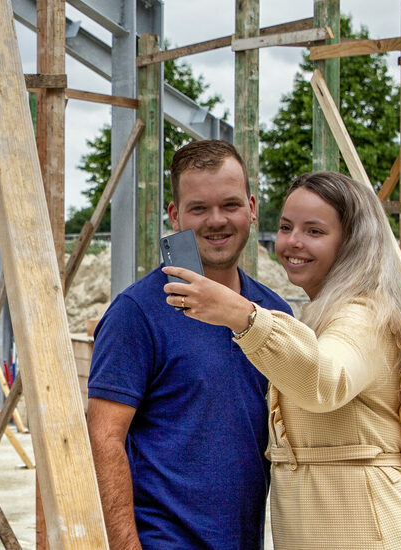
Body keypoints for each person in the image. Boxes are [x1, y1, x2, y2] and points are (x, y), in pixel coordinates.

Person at [164, 170, 401, 549]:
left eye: (314, 231)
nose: (293, 242)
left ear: (351, 242)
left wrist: (243, 316)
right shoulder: (323, 314)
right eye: (287, 227)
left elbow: (325, 382)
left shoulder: (364, 315)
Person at [86, 140, 291, 549]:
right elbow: (103, 438)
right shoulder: (138, 312)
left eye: (230, 205)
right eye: (199, 208)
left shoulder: (272, 314)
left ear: (251, 207)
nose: (217, 220)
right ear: (176, 216)